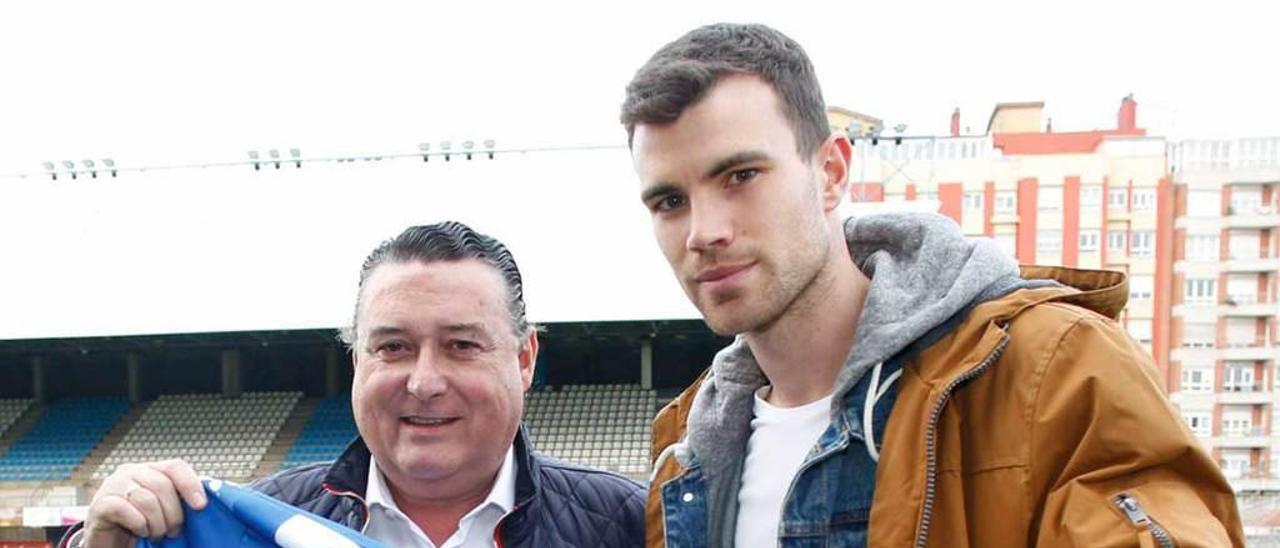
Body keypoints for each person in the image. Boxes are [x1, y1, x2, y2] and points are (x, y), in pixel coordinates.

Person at [621, 22, 1244, 547]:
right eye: (670, 201)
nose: (704, 231)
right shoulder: (685, 445)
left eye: (740, 176)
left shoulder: (1053, 370)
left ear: (831, 171)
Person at [67, 221, 645, 548]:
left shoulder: (629, 526)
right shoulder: (260, 522)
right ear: (356, 362)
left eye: (461, 346)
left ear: (524, 358)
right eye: (393, 348)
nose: (423, 382)